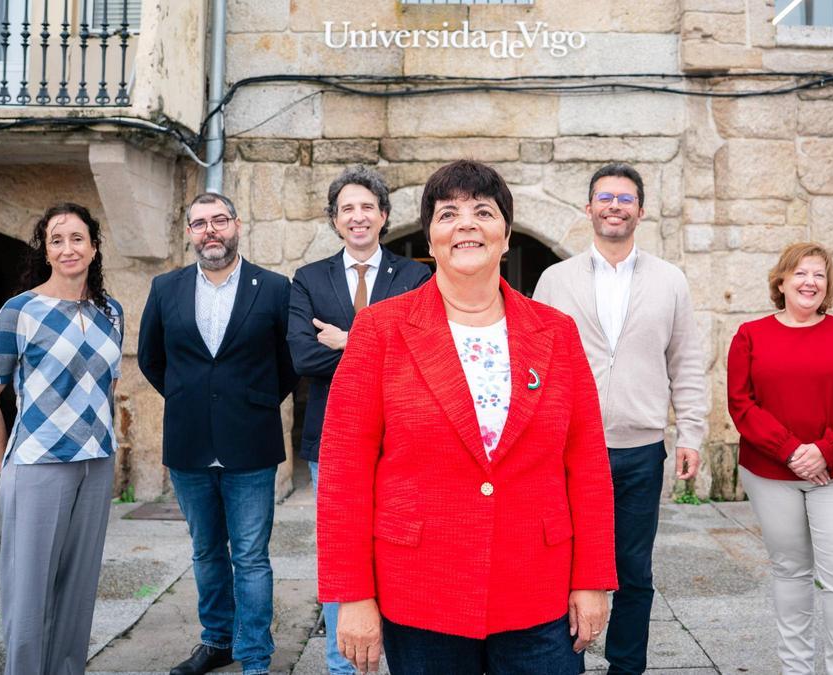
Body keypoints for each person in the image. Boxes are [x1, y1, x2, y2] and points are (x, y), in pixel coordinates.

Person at [318, 160, 616, 674]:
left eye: (483, 212)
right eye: (448, 214)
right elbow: (345, 471)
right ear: (430, 240)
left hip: (538, 591)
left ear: (506, 235)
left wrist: (592, 580)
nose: (466, 225)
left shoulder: (556, 332)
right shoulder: (380, 330)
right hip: (421, 592)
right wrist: (353, 595)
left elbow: (587, 463)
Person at [533, 162, 707, 674]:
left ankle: (627, 668)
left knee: (633, 571)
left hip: (639, 451)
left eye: (625, 198)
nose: (615, 206)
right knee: (563, 568)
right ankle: (564, 664)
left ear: (640, 211)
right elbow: (533, 363)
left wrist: (690, 432)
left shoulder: (669, 280)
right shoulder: (555, 280)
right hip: (568, 449)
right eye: (605, 197)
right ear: (588, 208)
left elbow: (686, 361)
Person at [138, 192, 295, 675]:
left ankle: (255, 656)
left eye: (220, 220)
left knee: (250, 556)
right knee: (206, 551)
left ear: (237, 225)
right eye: (200, 222)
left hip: (251, 442)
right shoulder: (166, 288)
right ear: (189, 232)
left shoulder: (274, 288)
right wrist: (190, 399)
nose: (211, 230)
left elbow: (289, 363)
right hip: (188, 444)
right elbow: (151, 358)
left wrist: (252, 401)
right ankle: (217, 641)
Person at [0, 204, 123, 675]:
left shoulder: (111, 312)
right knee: (29, 594)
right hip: (38, 464)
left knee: (78, 592)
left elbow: (106, 388)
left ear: (93, 247)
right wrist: (8, 467)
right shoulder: (19, 312)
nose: (67, 248)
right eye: (57, 240)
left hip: (96, 463)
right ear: (46, 251)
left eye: (77, 238)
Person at [287, 165, 431, 674]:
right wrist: (383, 348)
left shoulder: (416, 277)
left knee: (404, 552)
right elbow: (303, 357)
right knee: (341, 553)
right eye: (347, 208)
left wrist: (348, 341)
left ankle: (404, 656)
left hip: (405, 439)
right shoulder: (308, 279)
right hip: (333, 438)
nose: (358, 216)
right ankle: (342, 665)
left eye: (367, 206)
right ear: (335, 219)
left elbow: (421, 353)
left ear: (384, 215)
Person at [726, 242, 833, 674]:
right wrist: (791, 451)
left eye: (819, 274)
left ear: (827, 285)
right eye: (800, 273)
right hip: (770, 474)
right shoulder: (750, 335)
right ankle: (796, 669)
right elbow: (741, 404)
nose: (810, 282)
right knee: (790, 571)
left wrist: (825, 452)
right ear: (781, 281)